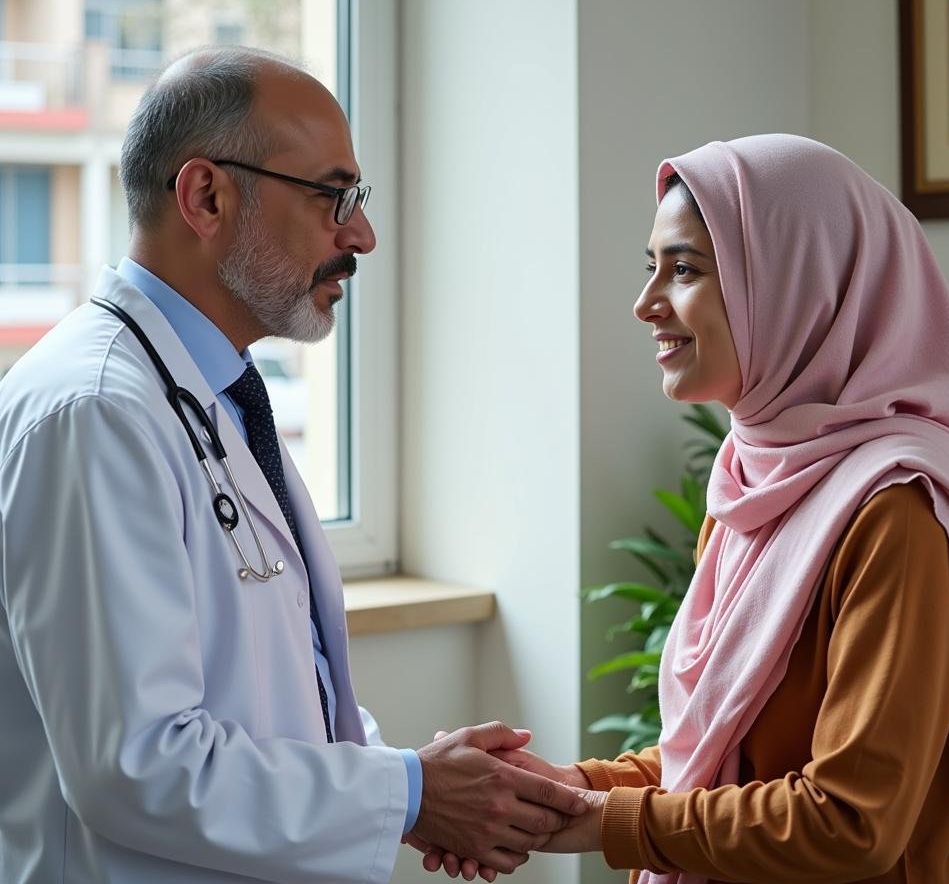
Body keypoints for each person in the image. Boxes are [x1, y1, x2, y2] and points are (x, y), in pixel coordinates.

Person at [0, 45, 586, 884]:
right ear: (206, 195)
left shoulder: (215, 394)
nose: (362, 235)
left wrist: (412, 781)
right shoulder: (95, 413)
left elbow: (274, 692)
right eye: (332, 196)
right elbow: (137, 765)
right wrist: (411, 794)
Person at [420, 134, 949, 883]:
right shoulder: (756, 479)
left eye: (685, 269)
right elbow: (721, 752)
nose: (645, 304)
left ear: (795, 283)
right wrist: (564, 791)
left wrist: (593, 823)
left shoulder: (898, 514)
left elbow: (850, 821)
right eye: (653, 268)